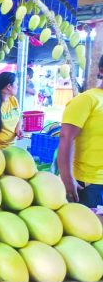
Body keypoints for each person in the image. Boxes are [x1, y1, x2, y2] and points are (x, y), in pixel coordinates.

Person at [57, 55, 103, 207]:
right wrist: (67, 177)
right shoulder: (87, 100)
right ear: (101, 71)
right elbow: (66, 137)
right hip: (91, 184)